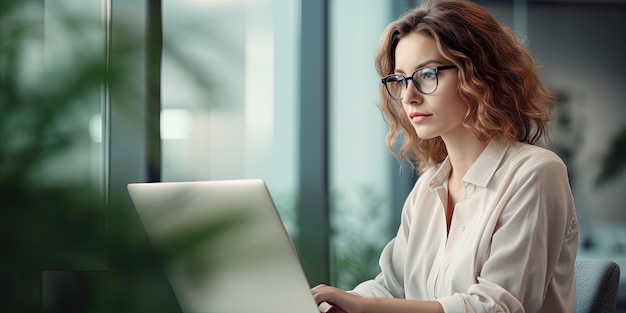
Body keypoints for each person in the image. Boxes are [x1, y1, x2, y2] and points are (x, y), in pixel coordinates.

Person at [311, 0, 578, 312]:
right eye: (400, 79)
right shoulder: (428, 188)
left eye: (427, 74)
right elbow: (391, 285)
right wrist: (333, 304)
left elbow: (495, 307)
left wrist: (367, 307)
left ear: (478, 74)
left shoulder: (535, 174)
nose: (409, 96)